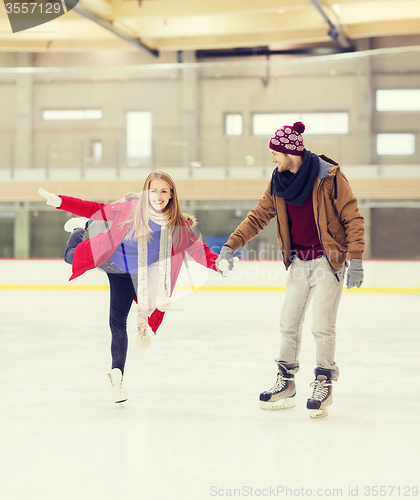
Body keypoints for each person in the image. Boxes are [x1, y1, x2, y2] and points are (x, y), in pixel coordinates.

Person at [215, 122, 365, 419]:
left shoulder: (329, 177)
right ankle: (286, 381)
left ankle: (324, 382)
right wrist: (231, 245)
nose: (272, 158)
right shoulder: (279, 182)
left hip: (327, 260)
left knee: (322, 326)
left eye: (275, 153)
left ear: (290, 152)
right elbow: (258, 216)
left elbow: (352, 217)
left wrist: (356, 258)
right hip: (298, 261)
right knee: (288, 323)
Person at [39, 171, 219, 405]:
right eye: (154, 190)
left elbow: (201, 253)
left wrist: (220, 263)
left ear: (172, 194)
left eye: (164, 191)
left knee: (117, 322)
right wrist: (62, 202)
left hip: (129, 275)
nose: (159, 195)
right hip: (109, 257)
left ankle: (117, 375)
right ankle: (79, 229)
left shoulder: (177, 229)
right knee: (70, 257)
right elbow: (94, 207)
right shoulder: (130, 211)